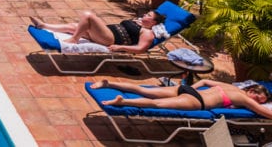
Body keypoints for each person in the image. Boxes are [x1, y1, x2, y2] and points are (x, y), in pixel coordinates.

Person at [91, 78, 272, 117]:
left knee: (142, 89)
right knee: (156, 104)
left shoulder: (232, 86)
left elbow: (206, 80)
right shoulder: (246, 100)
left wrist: (190, 89)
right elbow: (266, 114)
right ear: (254, 93)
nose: (257, 101)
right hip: (197, 102)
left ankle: (108, 84)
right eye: (259, 99)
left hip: (188, 90)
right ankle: (124, 101)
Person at [30, 9, 166, 53]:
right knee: (73, 25)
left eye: (149, 16)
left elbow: (141, 49)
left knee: (88, 15)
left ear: (154, 22)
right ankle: (44, 26)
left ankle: (74, 39)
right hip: (105, 33)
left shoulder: (148, 33)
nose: (145, 16)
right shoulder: (139, 22)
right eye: (147, 13)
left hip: (110, 39)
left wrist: (120, 47)